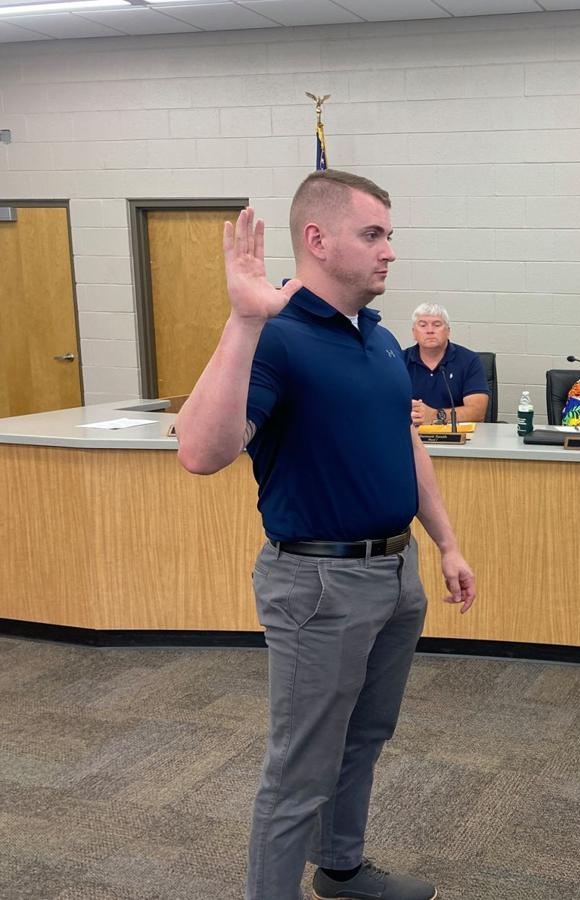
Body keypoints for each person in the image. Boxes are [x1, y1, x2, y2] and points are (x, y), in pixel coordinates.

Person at [175, 169, 476, 900]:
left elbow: (405, 446)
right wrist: (243, 322)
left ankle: (339, 869)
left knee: (364, 740)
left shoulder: (375, 341)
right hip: (319, 584)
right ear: (317, 239)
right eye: (373, 235)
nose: (389, 252)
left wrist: (445, 542)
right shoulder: (274, 337)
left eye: (389, 236)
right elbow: (200, 451)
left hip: (394, 573)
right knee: (299, 767)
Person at [405, 302, 490, 426]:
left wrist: (434, 415)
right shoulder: (399, 361)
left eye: (437, 325)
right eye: (423, 325)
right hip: (411, 435)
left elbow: (477, 412)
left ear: (448, 331)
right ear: (414, 332)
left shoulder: (469, 360)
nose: (430, 331)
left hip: (458, 438)